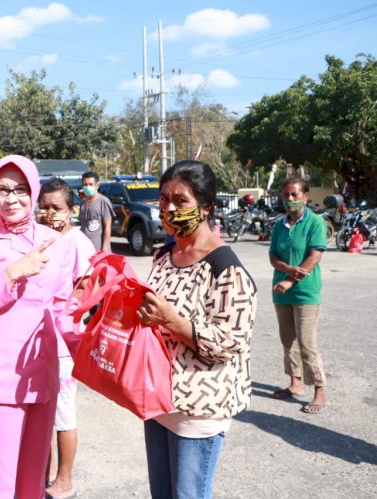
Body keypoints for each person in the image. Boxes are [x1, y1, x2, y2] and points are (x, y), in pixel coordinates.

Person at [136, 160, 257, 499]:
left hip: (198, 409)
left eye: (180, 200)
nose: (169, 208)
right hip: (158, 399)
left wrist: (170, 321)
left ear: (206, 208)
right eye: (163, 199)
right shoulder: (164, 255)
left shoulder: (225, 267)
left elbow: (229, 343)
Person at [0, 155, 74, 499]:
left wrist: (92, 340)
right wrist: (11, 274)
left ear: (34, 191)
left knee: (33, 480)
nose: (12, 199)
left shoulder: (56, 242)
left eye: (21, 189)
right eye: (2, 190)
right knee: (2, 484)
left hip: (42, 375)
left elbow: (63, 308)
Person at [37, 178, 95, 499]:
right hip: (38, 341)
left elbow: (87, 288)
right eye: (43, 207)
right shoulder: (40, 238)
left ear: (71, 211)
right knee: (43, 415)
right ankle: (41, 475)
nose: (48, 213)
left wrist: (66, 306)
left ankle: (64, 481)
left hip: (63, 344)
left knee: (62, 415)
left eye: (56, 208)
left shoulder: (77, 242)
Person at [269, 177, 330, 414]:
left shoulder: (315, 223)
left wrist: (290, 279)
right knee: (288, 341)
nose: (290, 199)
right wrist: (286, 270)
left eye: (295, 195)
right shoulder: (279, 225)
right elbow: (273, 256)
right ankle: (295, 383)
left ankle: (320, 391)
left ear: (305, 196)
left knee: (307, 343)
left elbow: (314, 256)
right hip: (282, 292)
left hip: (305, 292)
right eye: (286, 195)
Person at [80, 171, 115, 251]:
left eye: (90, 184)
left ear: (97, 185)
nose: (87, 187)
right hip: (85, 250)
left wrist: (104, 250)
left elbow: (107, 227)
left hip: (99, 250)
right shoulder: (83, 204)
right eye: (85, 185)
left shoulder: (103, 201)